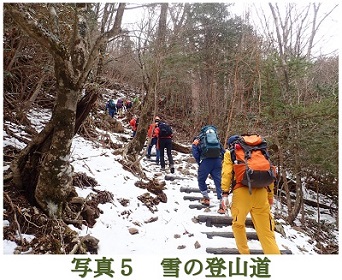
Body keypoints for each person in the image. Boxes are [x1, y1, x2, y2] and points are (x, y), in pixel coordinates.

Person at [220, 135, 280, 254]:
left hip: (241, 193)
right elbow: (270, 172)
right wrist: (270, 196)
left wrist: (225, 194)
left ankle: (245, 256)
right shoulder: (260, 152)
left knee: (238, 225)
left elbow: (226, 173)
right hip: (261, 193)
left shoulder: (230, 153)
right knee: (266, 233)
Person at [191, 127, 225, 214]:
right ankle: (222, 205)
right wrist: (220, 160)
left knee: (201, 180)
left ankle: (206, 199)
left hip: (206, 162)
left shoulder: (199, 140)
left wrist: (200, 163)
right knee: (218, 182)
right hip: (217, 162)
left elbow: (195, 154)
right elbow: (223, 151)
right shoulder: (215, 140)